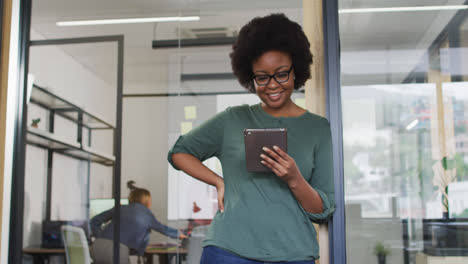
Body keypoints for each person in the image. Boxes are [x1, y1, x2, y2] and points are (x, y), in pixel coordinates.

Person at [167, 13, 335, 264]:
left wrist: (293, 177)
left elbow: (322, 210)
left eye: (281, 74)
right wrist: (218, 181)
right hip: (228, 251)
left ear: (296, 70)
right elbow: (179, 152)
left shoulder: (318, 128)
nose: (272, 85)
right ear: (250, 76)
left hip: (293, 254)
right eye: (262, 77)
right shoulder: (232, 120)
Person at [89, 181, 187, 264]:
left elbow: (94, 221)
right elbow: (163, 228)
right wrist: (180, 234)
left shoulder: (120, 208)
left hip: (97, 247)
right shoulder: (146, 214)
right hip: (117, 251)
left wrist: (101, 236)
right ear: (147, 201)